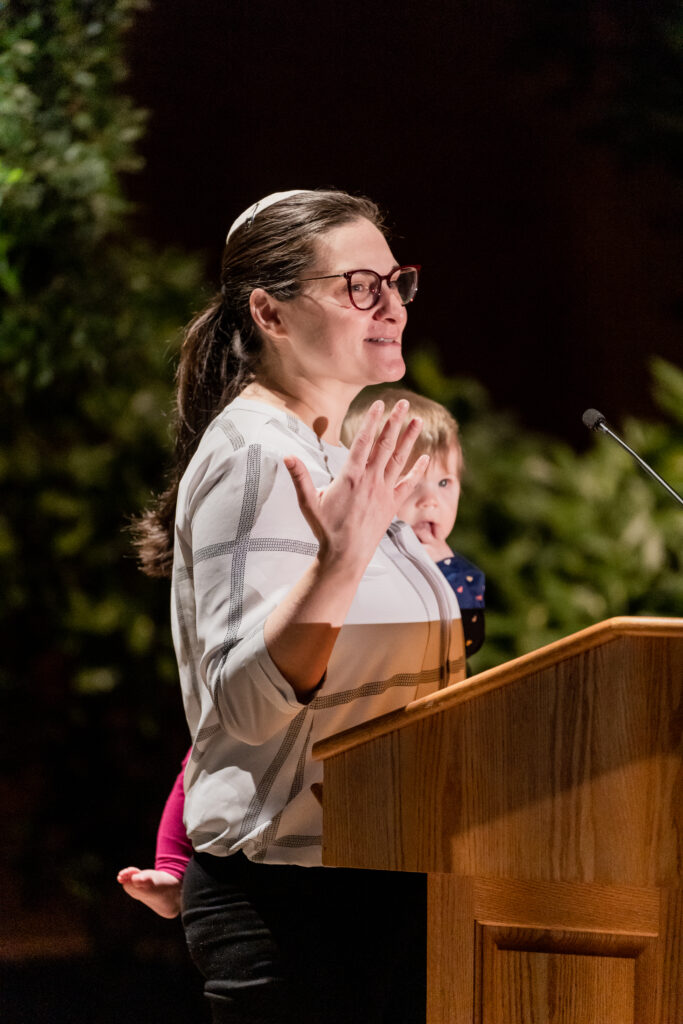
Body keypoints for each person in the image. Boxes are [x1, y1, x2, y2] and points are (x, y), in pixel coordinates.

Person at [127, 188, 467, 1024]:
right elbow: (240, 705)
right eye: (358, 285)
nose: (389, 306)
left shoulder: (325, 452)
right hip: (293, 907)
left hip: (367, 878)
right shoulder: (257, 457)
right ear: (269, 312)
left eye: (396, 282)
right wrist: (342, 561)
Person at [118, 387, 486, 922]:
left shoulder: (452, 571)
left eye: (445, 483)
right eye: (412, 482)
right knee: (205, 756)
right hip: (299, 778)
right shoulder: (334, 544)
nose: (431, 501)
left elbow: (464, 643)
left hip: (404, 777)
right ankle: (173, 870)